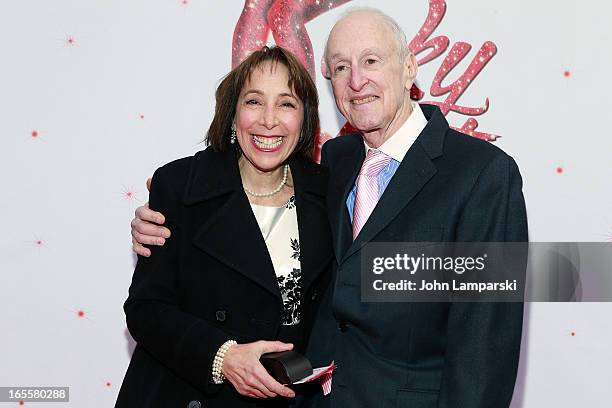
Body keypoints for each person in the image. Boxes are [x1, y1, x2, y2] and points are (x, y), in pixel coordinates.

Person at [131, 8, 528, 408]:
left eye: (371, 60)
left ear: (410, 68)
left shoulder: (484, 175)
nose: (357, 80)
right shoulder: (336, 162)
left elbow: (484, 348)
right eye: (340, 67)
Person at [116, 46, 333, 408]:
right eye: (253, 101)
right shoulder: (181, 186)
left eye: (286, 104)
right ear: (232, 115)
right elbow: (145, 310)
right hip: (188, 394)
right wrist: (223, 357)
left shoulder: (327, 191)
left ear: (305, 119)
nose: (269, 120)